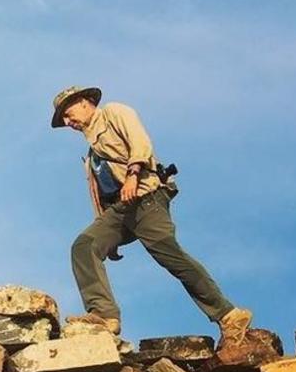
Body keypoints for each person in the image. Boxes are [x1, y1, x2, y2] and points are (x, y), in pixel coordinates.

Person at [50, 85, 252, 346]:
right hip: (120, 210)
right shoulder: (91, 154)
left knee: (170, 255)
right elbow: (100, 192)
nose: (69, 122)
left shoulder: (113, 113)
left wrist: (134, 174)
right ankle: (104, 315)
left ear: (85, 102)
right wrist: (106, 235)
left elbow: (140, 141)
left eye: (68, 113)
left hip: (146, 198)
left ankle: (229, 315)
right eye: (64, 120)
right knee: (85, 245)